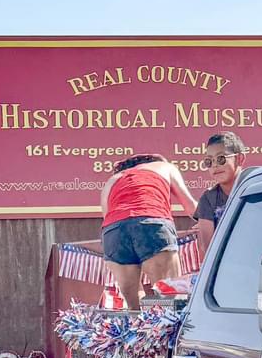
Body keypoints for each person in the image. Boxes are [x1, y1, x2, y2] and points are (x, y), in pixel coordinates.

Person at [101, 153, 197, 310]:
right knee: (170, 299)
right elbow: (192, 208)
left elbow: (107, 219)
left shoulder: (112, 180)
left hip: (114, 231)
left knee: (133, 309)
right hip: (152, 222)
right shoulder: (164, 166)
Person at [194, 132, 246, 258]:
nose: (215, 165)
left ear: (239, 159)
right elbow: (208, 248)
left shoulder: (256, 187)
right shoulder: (208, 199)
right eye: (209, 161)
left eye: (221, 158)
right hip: (227, 262)